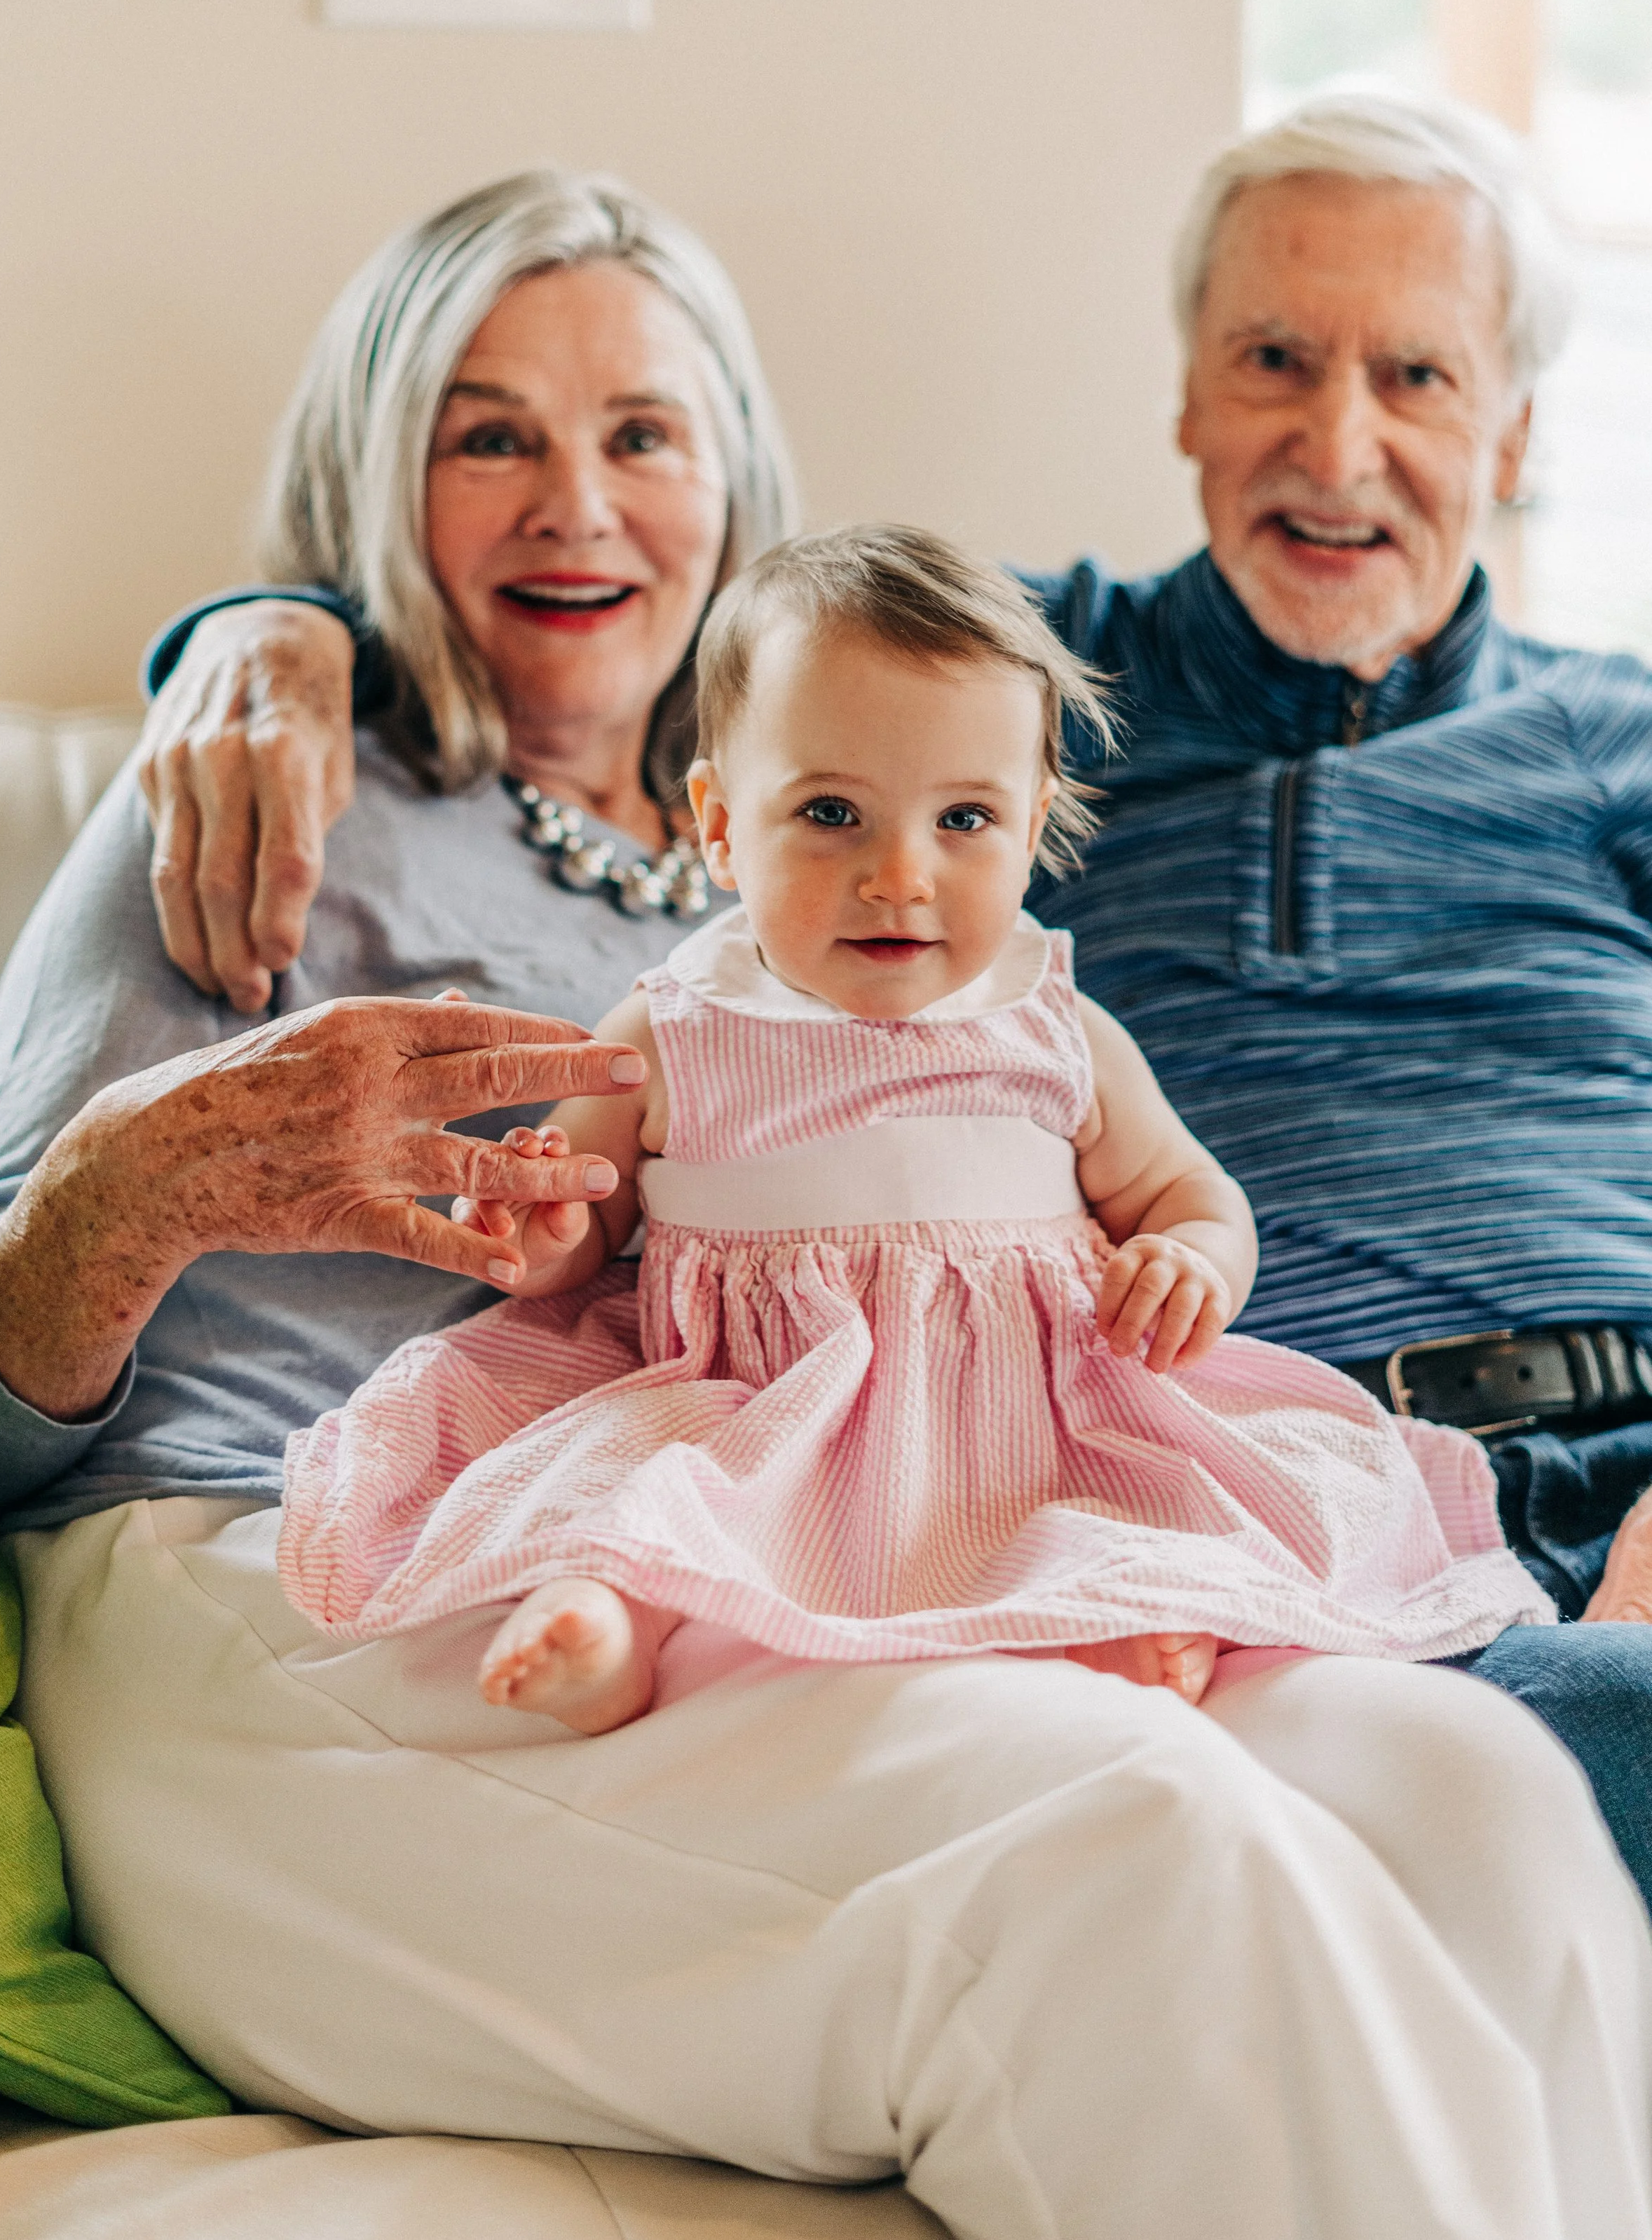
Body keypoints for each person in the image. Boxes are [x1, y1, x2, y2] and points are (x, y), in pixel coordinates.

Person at [0, 170, 1650, 2238]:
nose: (576, 503)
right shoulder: (262, 794)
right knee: (1134, 1834)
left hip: (753, 1566)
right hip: (287, 1568)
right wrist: (153, 1167)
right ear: (379, 477)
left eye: (642, 434)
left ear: (738, 491)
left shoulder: (824, 841)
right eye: (488, 435)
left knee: (1470, 1791)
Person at [153, 93, 1652, 1910]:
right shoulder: (1000, 687)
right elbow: (656, 616)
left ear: (1506, 428)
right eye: (1273, 357)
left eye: (1413, 376)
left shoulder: (1618, 739)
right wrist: (275, 629)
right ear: (1183, 391)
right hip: (1252, 1499)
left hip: (1623, 1436)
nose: (1334, 445)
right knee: (1423, 1796)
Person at [280, 523, 1548, 1732]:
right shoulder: (674, 1028)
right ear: (722, 822)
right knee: (647, 1494)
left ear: (1035, 820)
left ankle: (1115, 1618)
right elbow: (578, 1235)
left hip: (1033, 1421)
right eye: (833, 813)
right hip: (758, 1407)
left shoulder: (1056, 1025)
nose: (902, 873)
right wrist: (543, 1212)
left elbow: (1190, 1195)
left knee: (1129, 1506)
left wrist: (1190, 1263)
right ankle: (603, 1627)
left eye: (964, 819)